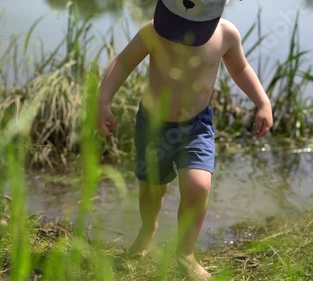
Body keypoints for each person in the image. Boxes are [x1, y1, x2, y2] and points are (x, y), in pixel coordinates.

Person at [97, 0, 273, 279]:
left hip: (196, 126)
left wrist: (262, 102)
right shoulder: (154, 31)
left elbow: (240, 69)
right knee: (152, 188)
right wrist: (104, 99)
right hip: (153, 125)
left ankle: (185, 252)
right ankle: (148, 229)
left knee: (198, 186)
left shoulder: (226, 34)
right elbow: (124, 62)